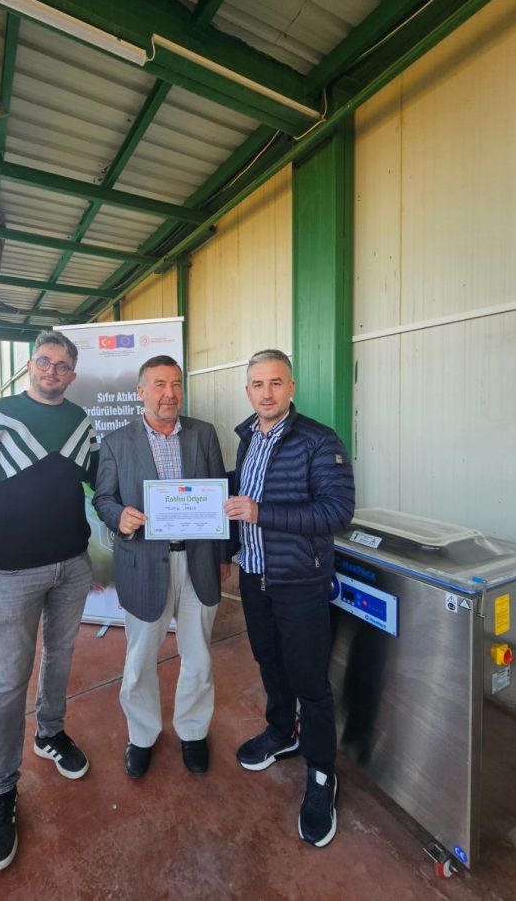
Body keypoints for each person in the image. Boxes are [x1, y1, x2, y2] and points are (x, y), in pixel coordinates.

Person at [0, 331, 99, 873]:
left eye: (62, 365)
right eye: (44, 362)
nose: (52, 371)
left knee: (60, 657)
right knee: (10, 679)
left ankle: (50, 732)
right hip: (15, 571)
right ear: (31, 366)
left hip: (72, 564)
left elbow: (103, 481)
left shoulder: (81, 422)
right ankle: (0, 790)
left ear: (72, 374)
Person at [224, 349, 355, 848]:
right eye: (257, 384)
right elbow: (238, 504)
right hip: (254, 575)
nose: (267, 393)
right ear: (248, 391)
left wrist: (262, 513)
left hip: (299, 580)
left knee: (309, 680)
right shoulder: (247, 438)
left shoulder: (319, 440)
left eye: (276, 383)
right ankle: (282, 732)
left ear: (291, 387)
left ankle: (322, 773)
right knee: (269, 663)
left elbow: (337, 512)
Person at [93, 355, 230, 779]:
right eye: (158, 385)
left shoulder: (204, 434)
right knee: (139, 661)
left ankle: (193, 731)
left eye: (175, 384)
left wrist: (223, 556)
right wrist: (119, 516)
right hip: (143, 563)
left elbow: (219, 498)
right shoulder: (116, 442)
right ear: (141, 392)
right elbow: (103, 498)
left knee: (198, 656)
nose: (169, 394)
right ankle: (142, 734)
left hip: (198, 561)